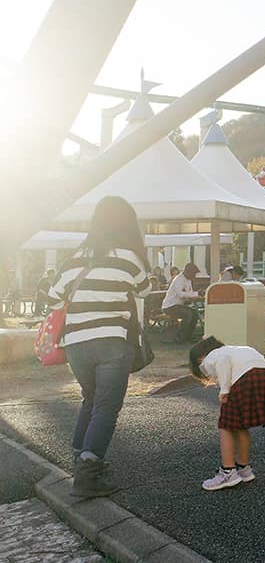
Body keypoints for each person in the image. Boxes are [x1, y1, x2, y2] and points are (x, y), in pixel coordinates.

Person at [46, 196, 151, 498]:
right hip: (112, 343)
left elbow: (53, 298)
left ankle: (82, 458)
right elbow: (144, 289)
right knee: (106, 406)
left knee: (91, 399)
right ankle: (88, 475)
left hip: (76, 345)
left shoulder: (75, 258)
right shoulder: (129, 257)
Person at [189, 336, 265, 491]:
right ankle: (244, 469)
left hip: (245, 379)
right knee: (239, 425)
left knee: (226, 426)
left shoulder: (211, 356)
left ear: (200, 358)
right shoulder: (237, 349)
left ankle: (228, 472)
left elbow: (222, 364)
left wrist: (224, 391)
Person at [163, 263, 203, 342]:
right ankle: (180, 337)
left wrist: (198, 294)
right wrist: (197, 294)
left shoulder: (188, 280)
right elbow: (181, 294)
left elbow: (189, 293)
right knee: (189, 314)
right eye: (193, 274)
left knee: (194, 314)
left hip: (178, 305)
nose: (194, 276)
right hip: (169, 306)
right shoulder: (178, 279)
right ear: (188, 272)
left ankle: (187, 336)